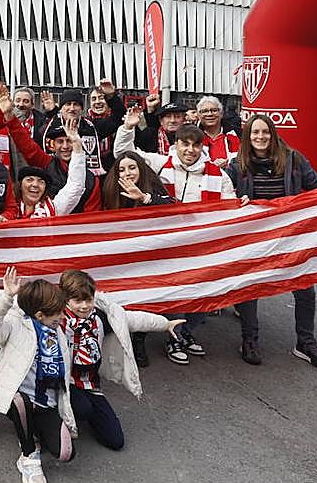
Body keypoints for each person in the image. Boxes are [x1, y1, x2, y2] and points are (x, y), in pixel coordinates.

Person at [113, 110, 235, 364]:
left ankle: (186, 332)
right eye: (184, 144)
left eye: (195, 145)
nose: (190, 150)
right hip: (165, 245)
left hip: (201, 246)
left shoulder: (218, 175)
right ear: (175, 144)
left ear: (202, 147)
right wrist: (127, 127)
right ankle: (173, 337)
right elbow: (123, 153)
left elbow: (229, 208)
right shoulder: (160, 164)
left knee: (204, 293)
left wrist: (241, 205)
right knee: (169, 293)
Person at [227, 115, 317, 370]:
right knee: (249, 288)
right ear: (247, 137)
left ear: (273, 134)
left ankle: (305, 342)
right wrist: (235, 201)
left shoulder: (293, 159)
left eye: (265, 132)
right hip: (254, 238)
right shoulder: (237, 165)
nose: (260, 137)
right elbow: (224, 194)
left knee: (305, 288)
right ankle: (249, 339)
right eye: (255, 132)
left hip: (289, 236)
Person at [58, 269, 184, 452]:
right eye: (78, 301)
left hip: (90, 384)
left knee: (115, 440)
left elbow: (133, 319)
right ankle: (57, 419)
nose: (84, 306)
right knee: (82, 408)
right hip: (64, 383)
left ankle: (83, 411)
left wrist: (165, 324)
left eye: (88, 300)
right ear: (66, 299)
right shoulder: (56, 320)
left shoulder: (100, 317)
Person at [0, 269, 72, 483]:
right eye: (57, 313)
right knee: (20, 402)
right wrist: (6, 296)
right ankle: (28, 456)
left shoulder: (58, 331)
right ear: (39, 315)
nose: (62, 316)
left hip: (47, 403)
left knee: (65, 454)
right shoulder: (16, 324)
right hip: (19, 399)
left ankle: (33, 431)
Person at [100, 153, 176, 368]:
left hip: (149, 256)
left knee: (144, 298)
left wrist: (144, 198)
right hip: (121, 255)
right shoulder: (110, 190)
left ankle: (139, 340)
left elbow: (172, 208)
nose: (127, 173)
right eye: (122, 169)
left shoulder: (153, 187)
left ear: (141, 168)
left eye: (132, 167)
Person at [0, 85, 100, 216]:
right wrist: (10, 117)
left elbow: (92, 216)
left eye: (70, 141)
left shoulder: (91, 179)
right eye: (60, 141)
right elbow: (26, 144)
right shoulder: (47, 163)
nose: (65, 146)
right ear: (53, 145)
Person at [195, 96, 240, 168]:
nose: (210, 114)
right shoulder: (192, 135)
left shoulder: (237, 134)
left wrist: (229, 164)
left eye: (214, 110)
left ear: (221, 113)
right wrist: (212, 167)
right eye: (205, 111)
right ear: (198, 115)